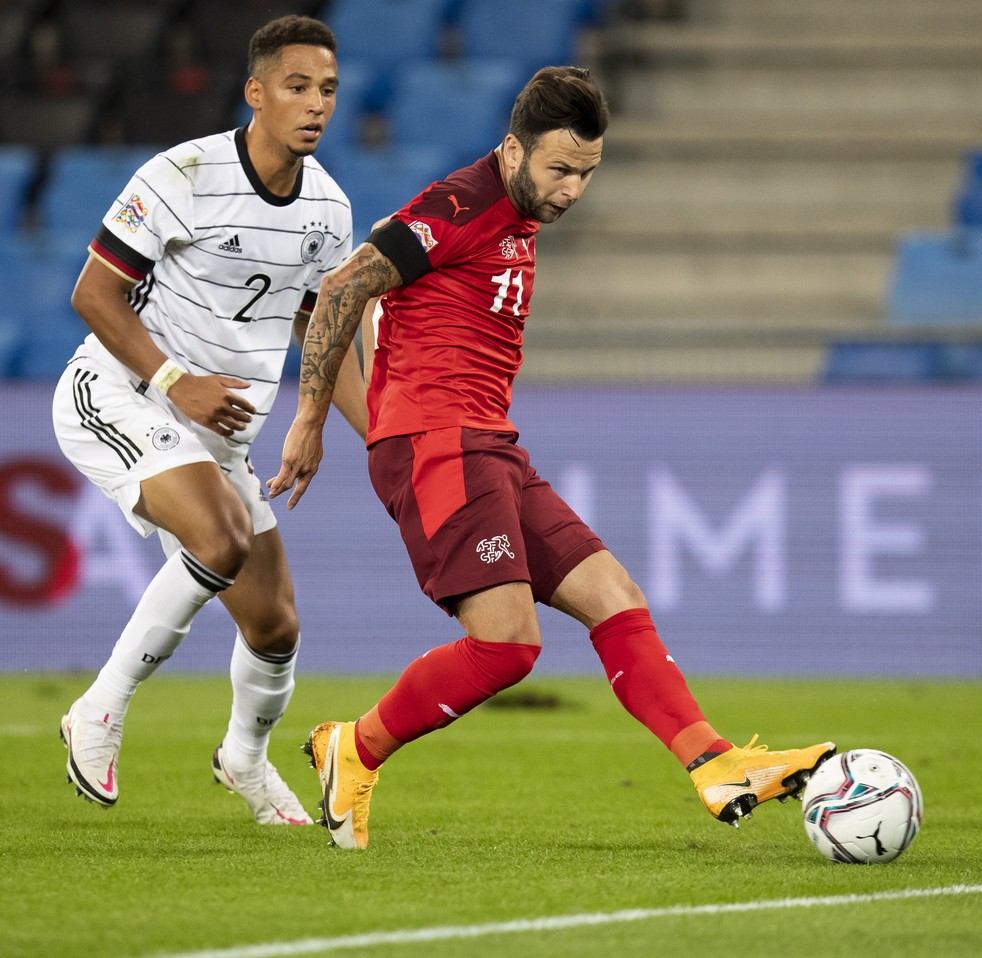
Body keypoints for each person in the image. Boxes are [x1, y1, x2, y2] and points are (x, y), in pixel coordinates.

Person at [267, 66, 834, 850]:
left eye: (586, 174)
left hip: (486, 443)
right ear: (512, 150)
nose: (571, 189)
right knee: (507, 645)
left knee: (613, 594)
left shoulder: (520, 212)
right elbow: (340, 289)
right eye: (559, 169)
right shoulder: (458, 204)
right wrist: (310, 419)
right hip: (443, 445)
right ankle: (352, 747)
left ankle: (715, 762)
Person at [53, 15, 364, 826]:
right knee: (219, 541)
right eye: (297, 87)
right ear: (255, 93)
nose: (315, 105)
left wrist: (341, 425)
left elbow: (320, 329)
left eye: (327, 89)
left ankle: (245, 762)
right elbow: (93, 294)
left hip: (220, 433)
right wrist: (173, 378)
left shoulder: (329, 211)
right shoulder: (183, 173)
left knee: (275, 627)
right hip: (120, 393)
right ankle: (99, 707)